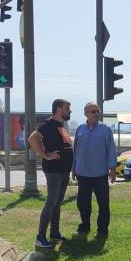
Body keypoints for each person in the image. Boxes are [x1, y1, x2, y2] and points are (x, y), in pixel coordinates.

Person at [29, 98, 74, 247]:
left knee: (57, 203)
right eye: (67, 108)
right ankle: (40, 237)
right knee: (51, 202)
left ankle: (54, 233)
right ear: (59, 109)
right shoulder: (47, 125)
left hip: (64, 170)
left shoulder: (61, 126)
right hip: (54, 170)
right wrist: (45, 155)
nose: (70, 111)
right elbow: (32, 138)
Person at [72, 102, 117, 236]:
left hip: (100, 174)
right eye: (93, 111)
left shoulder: (105, 129)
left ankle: (102, 230)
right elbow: (75, 150)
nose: (96, 114)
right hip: (82, 173)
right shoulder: (80, 129)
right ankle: (85, 226)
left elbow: (111, 149)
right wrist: (73, 168)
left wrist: (112, 169)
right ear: (85, 113)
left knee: (103, 204)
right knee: (82, 203)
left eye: (98, 111)